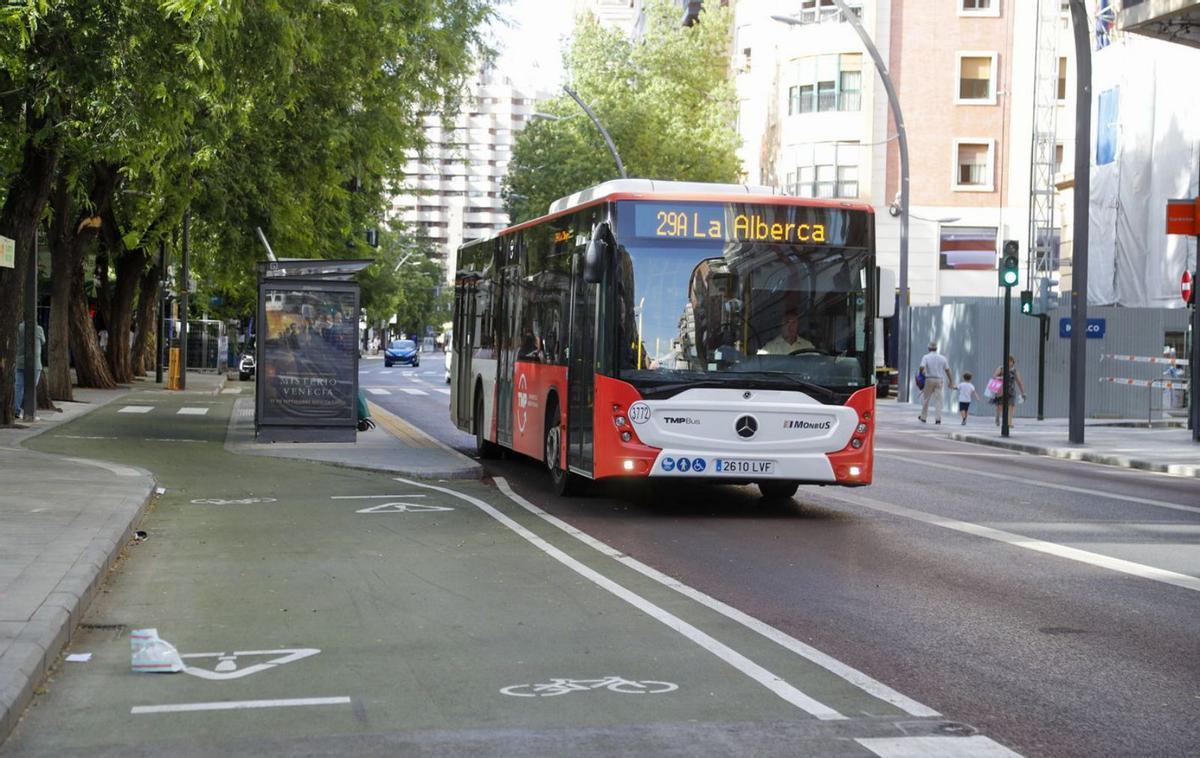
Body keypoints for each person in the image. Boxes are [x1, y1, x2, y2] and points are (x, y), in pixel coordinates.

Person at [14, 320, 46, 420]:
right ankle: (29, 412)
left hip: (20, 362)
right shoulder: (39, 329)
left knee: (19, 387)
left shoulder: (18, 328)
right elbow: (43, 341)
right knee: (31, 388)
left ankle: (17, 410)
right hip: (35, 363)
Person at [917, 341, 953, 424]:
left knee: (926, 399)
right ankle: (938, 419)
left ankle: (923, 417)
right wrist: (951, 381)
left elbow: (922, 367)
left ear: (929, 348)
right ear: (936, 348)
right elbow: (948, 370)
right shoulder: (943, 358)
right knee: (938, 400)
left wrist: (921, 374)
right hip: (939, 380)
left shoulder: (925, 357)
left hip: (929, 379)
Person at [991, 355, 1026, 427]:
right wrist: (1001, 377)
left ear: (1013, 362)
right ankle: (997, 417)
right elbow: (994, 377)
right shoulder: (1001, 368)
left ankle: (1009, 423)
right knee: (1000, 406)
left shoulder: (1015, 371)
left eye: (1011, 361)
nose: (1009, 363)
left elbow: (1019, 382)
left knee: (1011, 406)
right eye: (1008, 361)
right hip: (1001, 390)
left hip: (1011, 391)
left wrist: (1023, 392)